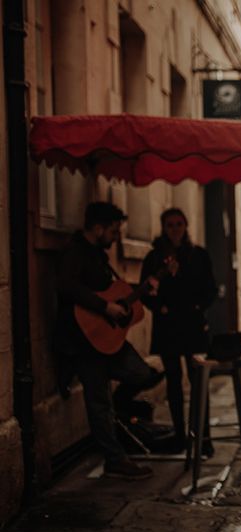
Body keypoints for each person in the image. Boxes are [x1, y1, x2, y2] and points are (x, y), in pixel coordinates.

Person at [55, 201, 164, 480]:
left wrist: (141, 290)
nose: (116, 237)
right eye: (114, 230)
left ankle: (121, 416)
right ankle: (115, 459)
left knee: (142, 373)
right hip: (83, 339)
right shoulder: (75, 251)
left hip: (108, 339)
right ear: (98, 227)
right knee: (98, 402)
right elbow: (67, 288)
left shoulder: (99, 256)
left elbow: (112, 291)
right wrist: (104, 308)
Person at [140, 208, 217, 454]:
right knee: (173, 382)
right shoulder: (154, 258)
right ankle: (179, 436)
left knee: (199, 383)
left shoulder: (198, 255)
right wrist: (159, 307)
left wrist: (198, 306)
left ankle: (203, 438)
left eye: (179, 224)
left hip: (193, 326)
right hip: (168, 327)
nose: (175, 229)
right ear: (163, 227)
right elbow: (145, 291)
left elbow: (210, 288)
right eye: (170, 224)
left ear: (186, 226)